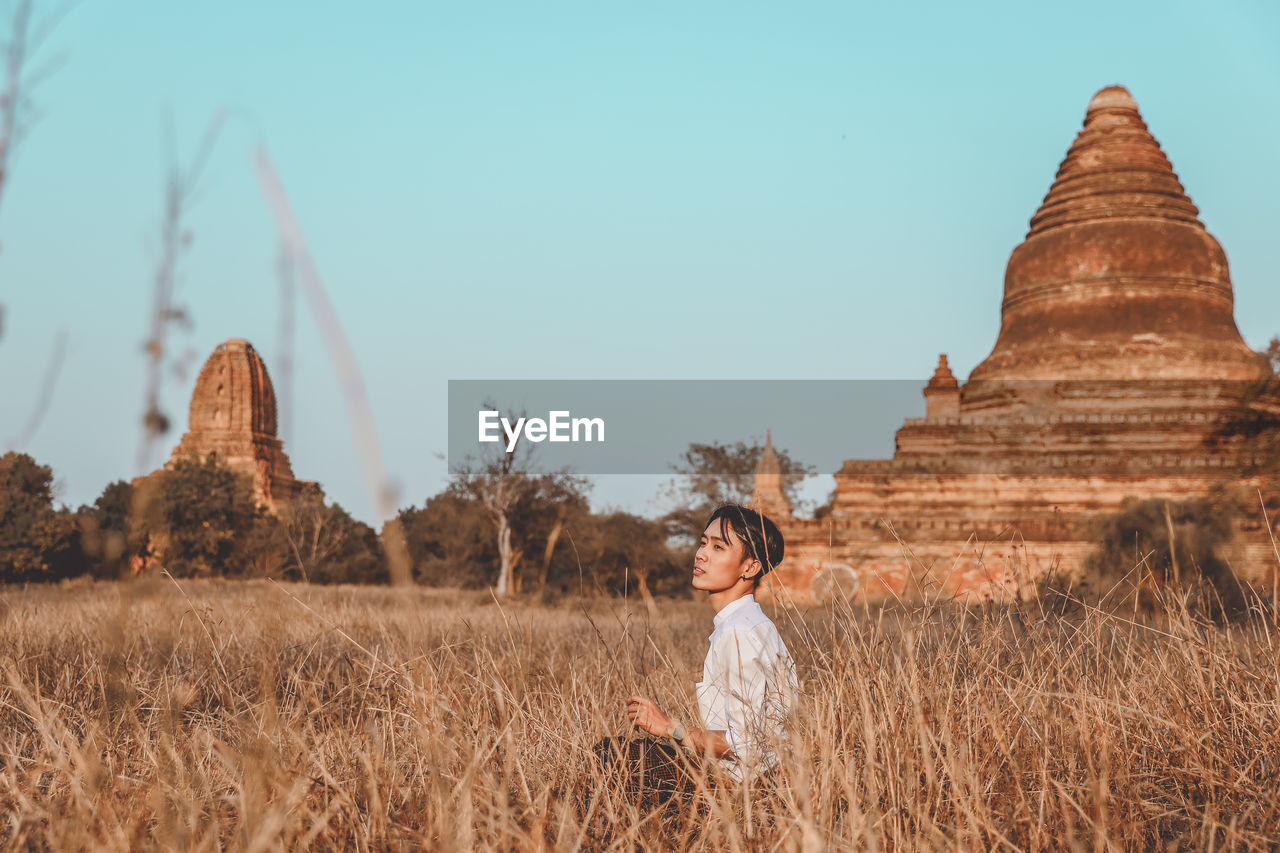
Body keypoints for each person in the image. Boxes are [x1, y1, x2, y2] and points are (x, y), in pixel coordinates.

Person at [596, 504, 797, 805]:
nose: (701, 554)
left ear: (750, 567)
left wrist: (669, 727)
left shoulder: (739, 632)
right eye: (704, 543)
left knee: (611, 757)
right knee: (619, 751)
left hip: (743, 790)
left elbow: (748, 746)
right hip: (744, 778)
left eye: (718, 547)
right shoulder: (745, 623)